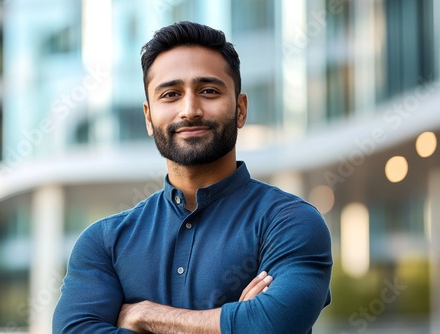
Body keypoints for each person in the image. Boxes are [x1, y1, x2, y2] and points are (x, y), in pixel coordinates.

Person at [53, 21, 332, 333]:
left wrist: (146, 317)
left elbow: (272, 324)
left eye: (209, 91)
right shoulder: (104, 242)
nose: (189, 110)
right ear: (148, 117)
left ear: (240, 109)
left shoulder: (291, 222)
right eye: (171, 94)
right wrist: (233, 322)